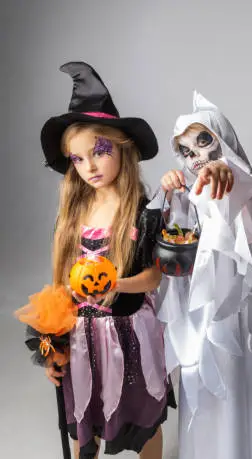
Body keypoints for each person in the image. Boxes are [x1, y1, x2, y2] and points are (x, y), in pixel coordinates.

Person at [40, 61, 173, 459]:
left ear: (122, 148)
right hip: (82, 335)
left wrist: (117, 283)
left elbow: (155, 276)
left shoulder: (143, 212)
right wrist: (52, 344)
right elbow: (60, 287)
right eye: (77, 159)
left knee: (144, 421)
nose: (90, 167)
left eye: (98, 152)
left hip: (131, 333)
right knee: (86, 422)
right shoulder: (72, 217)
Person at [154, 91, 252, 459]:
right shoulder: (187, 195)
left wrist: (226, 172)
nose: (197, 157)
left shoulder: (243, 183)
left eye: (204, 141)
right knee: (200, 388)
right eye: (187, 151)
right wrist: (168, 196)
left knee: (237, 386)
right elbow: (173, 246)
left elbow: (238, 186)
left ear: (222, 139)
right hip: (197, 311)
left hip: (236, 311)